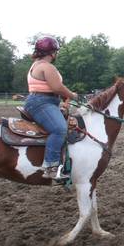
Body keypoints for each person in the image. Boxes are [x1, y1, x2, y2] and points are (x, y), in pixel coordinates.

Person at [24, 36, 79, 179]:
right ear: (52, 52)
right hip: (42, 102)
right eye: (56, 51)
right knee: (59, 129)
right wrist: (72, 95)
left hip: (44, 101)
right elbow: (57, 87)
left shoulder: (36, 64)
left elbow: (52, 88)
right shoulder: (46, 67)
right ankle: (51, 167)